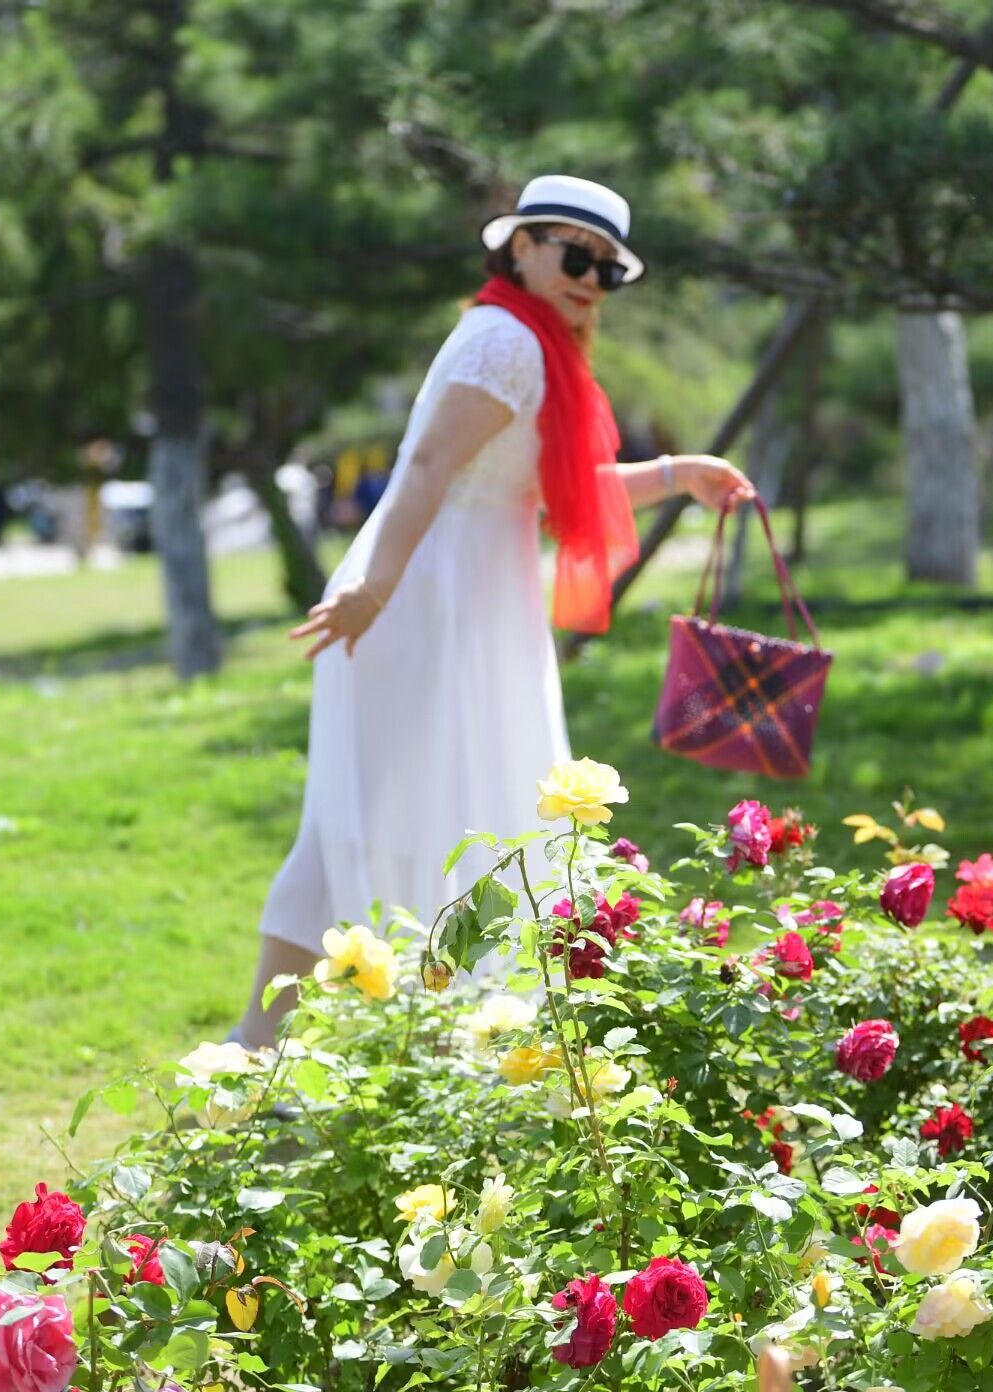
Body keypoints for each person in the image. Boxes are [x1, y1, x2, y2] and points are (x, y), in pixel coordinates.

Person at [232, 174, 752, 1048]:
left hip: (470, 607)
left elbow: (535, 487)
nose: (589, 277)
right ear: (521, 246)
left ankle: (397, 1046)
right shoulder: (508, 339)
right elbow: (429, 467)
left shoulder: (530, 341)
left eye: (608, 269)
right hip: (425, 605)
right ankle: (282, 1050)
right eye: (573, 254)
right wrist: (372, 590)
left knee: (444, 821)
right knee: (385, 820)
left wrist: (677, 475)